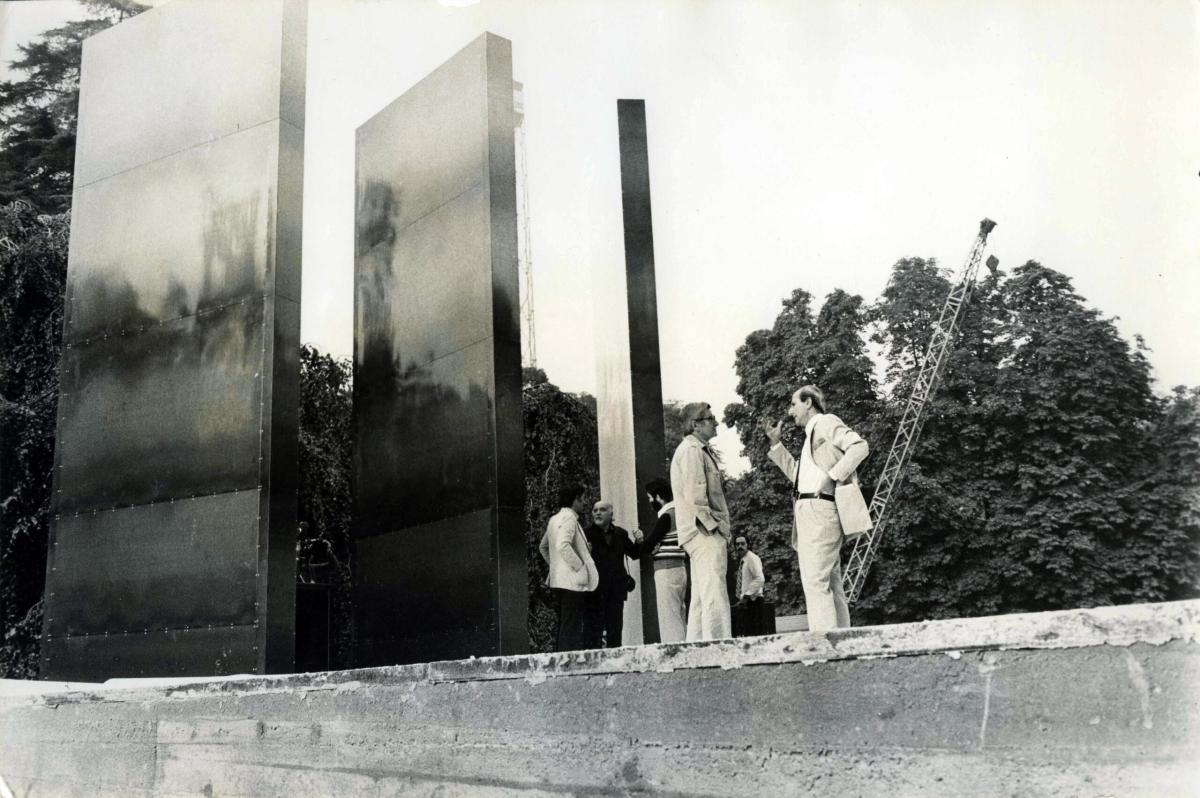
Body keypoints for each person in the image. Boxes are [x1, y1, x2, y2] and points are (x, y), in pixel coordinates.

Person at [763, 384, 869, 631]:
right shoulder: (810, 436)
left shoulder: (825, 422)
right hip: (811, 510)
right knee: (831, 584)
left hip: (819, 510)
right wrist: (776, 445)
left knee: (815, 581)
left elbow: (859, 446)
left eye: (793, 404)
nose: (790, 412)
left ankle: (824, 645)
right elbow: (798, 477)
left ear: (808, 402)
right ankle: (840, 642)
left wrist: (833, 476)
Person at [669, 401, 732, 641]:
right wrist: (715, 528)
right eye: (710, 418)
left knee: (701, 597)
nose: (716, 422)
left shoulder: (692, 449)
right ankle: (720, 647)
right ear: (696, 424)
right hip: (703, 532)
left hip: (696, 532)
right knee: (714, 593)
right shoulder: (693, 450)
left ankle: (697, 649)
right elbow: (697, 496)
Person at [539, 484, 599, 651]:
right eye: (582, 499)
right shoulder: (570, 518)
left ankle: (563, 660)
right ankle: (567, 661)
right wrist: (579, 567)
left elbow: (543, 547)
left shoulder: (554, 519)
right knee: (572, 624)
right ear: (575, 500)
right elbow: (562, 545)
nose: (585, 503)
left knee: (565, 624)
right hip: (572, 581)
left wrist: (556, 566)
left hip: (559, 581)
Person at [584, 501, 643, 648]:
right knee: (593, 633)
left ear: (611, 514)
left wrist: (640, 540)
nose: (597, 513)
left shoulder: (620, 534)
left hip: (616, 590)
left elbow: (635, 554)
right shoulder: (586, 534)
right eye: (595, 510)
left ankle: (616, 666)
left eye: (602, 510)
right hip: (595, 591)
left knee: (615, 632)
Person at [642, 477, 688, 643]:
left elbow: (648, 545)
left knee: (669, 616)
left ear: (659, 497)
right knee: (679, 613)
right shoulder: (680, 513)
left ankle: (674, 652)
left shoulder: (666, 517)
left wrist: (641, 544)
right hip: (680, 568)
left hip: (666, 571)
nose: (649, 502)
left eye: (650, 497)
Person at [733, 535, 765, 636]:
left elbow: (760, 579)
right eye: (737, 544)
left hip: (754, 602)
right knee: (747, 635)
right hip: (746, 603)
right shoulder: (743, 560)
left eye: (743, 544)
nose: (740, 546)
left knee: (754, 635)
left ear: (748, 545)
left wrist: (747, 595)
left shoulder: (752, 558)